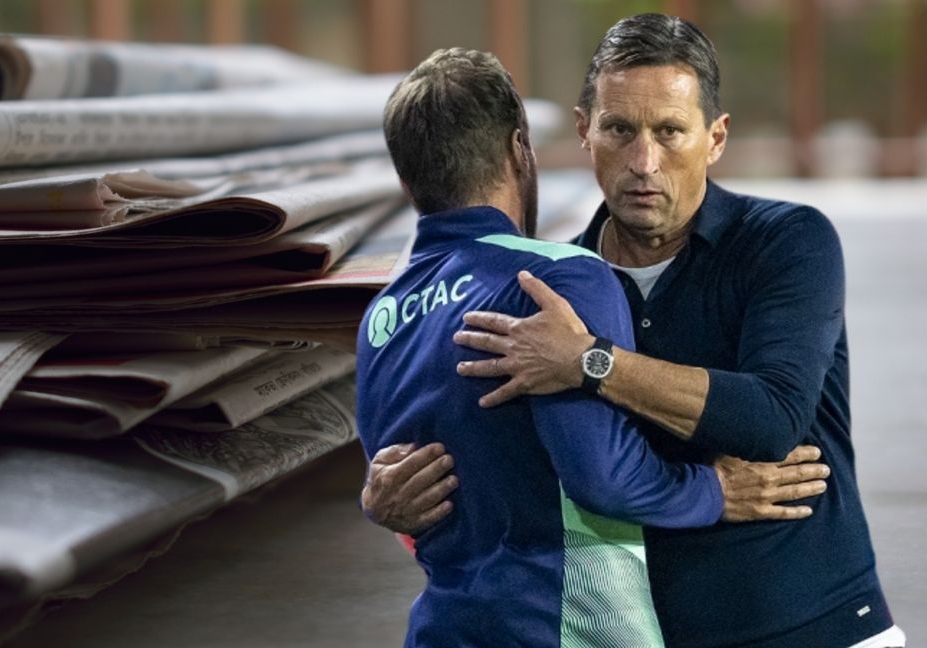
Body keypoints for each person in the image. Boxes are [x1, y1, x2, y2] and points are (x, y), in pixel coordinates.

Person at [362, 14, 904, 648]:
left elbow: (772, 419)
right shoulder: (553, 284)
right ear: (583, 131)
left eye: (670, 131)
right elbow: (499, 463)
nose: (644, 162)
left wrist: (593, 362)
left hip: (818, 627)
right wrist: (388, 505)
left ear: (715, 138)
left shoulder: (787, 241)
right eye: (620, 129)